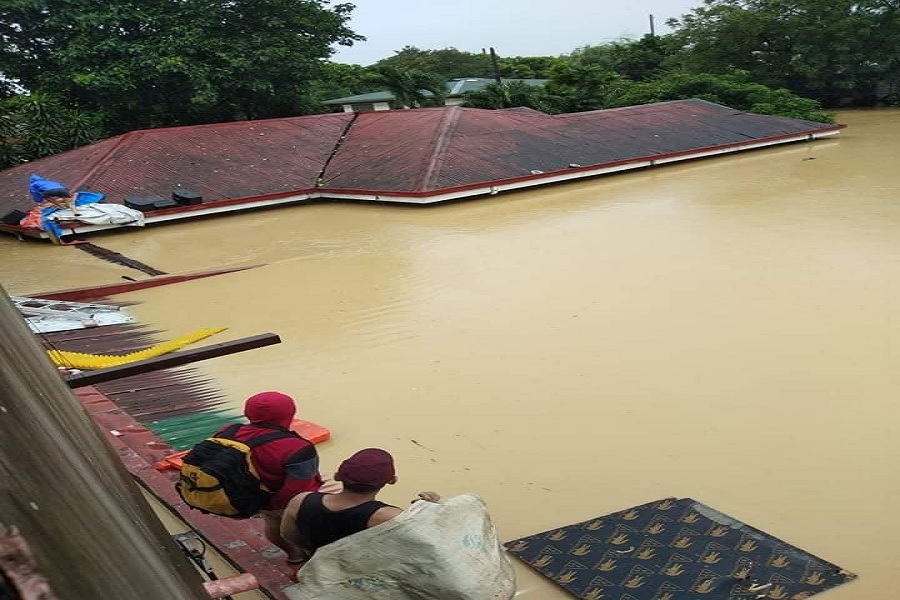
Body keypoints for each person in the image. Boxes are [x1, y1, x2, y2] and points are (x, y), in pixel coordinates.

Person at [280, 448, 439, 560]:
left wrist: (312, 551)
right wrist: (428, 509)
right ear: (391, 481)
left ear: (337, 476)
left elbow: (288, 535)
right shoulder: (389, 517)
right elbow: (426, 543)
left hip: (319, 560)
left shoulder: (301, 500)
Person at [223, 391, 323, 563]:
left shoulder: (228, 432)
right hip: (284, 501)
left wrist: (265, 505)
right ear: (291, 413)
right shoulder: (297, 447)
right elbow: (298, 488)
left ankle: (294, 555)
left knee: (272, 524)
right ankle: (313, 559)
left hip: (251, 496)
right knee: (303, 529)